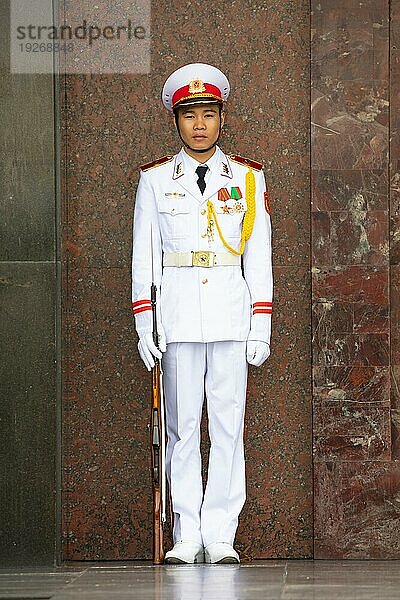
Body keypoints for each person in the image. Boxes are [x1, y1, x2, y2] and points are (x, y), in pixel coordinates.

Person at [131, 63, 273, 564]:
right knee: (183, 427)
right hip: (179, 319)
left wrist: (261, 322)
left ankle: (221, 535)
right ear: (176, 120)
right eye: (189, 115)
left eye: (208, 114)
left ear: (221, 118)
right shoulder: (154, 180)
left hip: (230, 316)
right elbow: (144, 257)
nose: (199, 125)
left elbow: (257, 254)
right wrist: (144, 322)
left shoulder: (248, 178)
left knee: (229, 427)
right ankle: (186, 534)